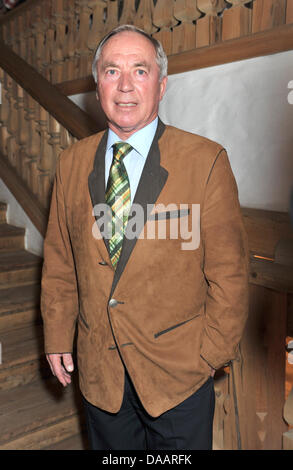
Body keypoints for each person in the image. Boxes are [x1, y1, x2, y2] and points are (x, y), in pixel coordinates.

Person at [41, 24, 249, 450]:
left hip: (178, 376)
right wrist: (58, 333)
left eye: (140, 70)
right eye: (112, 71)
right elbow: (61, 260)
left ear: (161, 84)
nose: (125, 86)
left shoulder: (205, 161)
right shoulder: (70, 163)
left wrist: (211, 354)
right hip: (101, 372)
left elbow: (230, 273)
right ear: (97, 82)